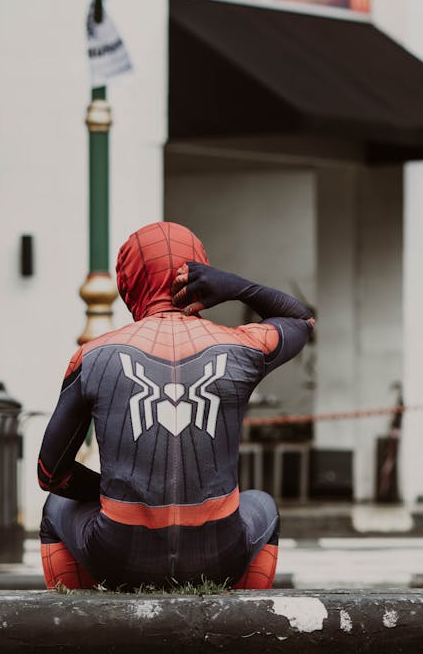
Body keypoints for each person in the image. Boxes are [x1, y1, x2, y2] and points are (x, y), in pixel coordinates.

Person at [37, 221, 314, 590]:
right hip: (219, 554)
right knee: (262, 503)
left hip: (118, 555)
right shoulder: (242, 348)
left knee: (56, 507)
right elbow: (301, 319)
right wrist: (235, 287)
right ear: (203, 272)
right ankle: (242, 631)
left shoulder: (91, 358)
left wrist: (118, 491)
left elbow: (49, 473)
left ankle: (81, 631)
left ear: (128, 281)